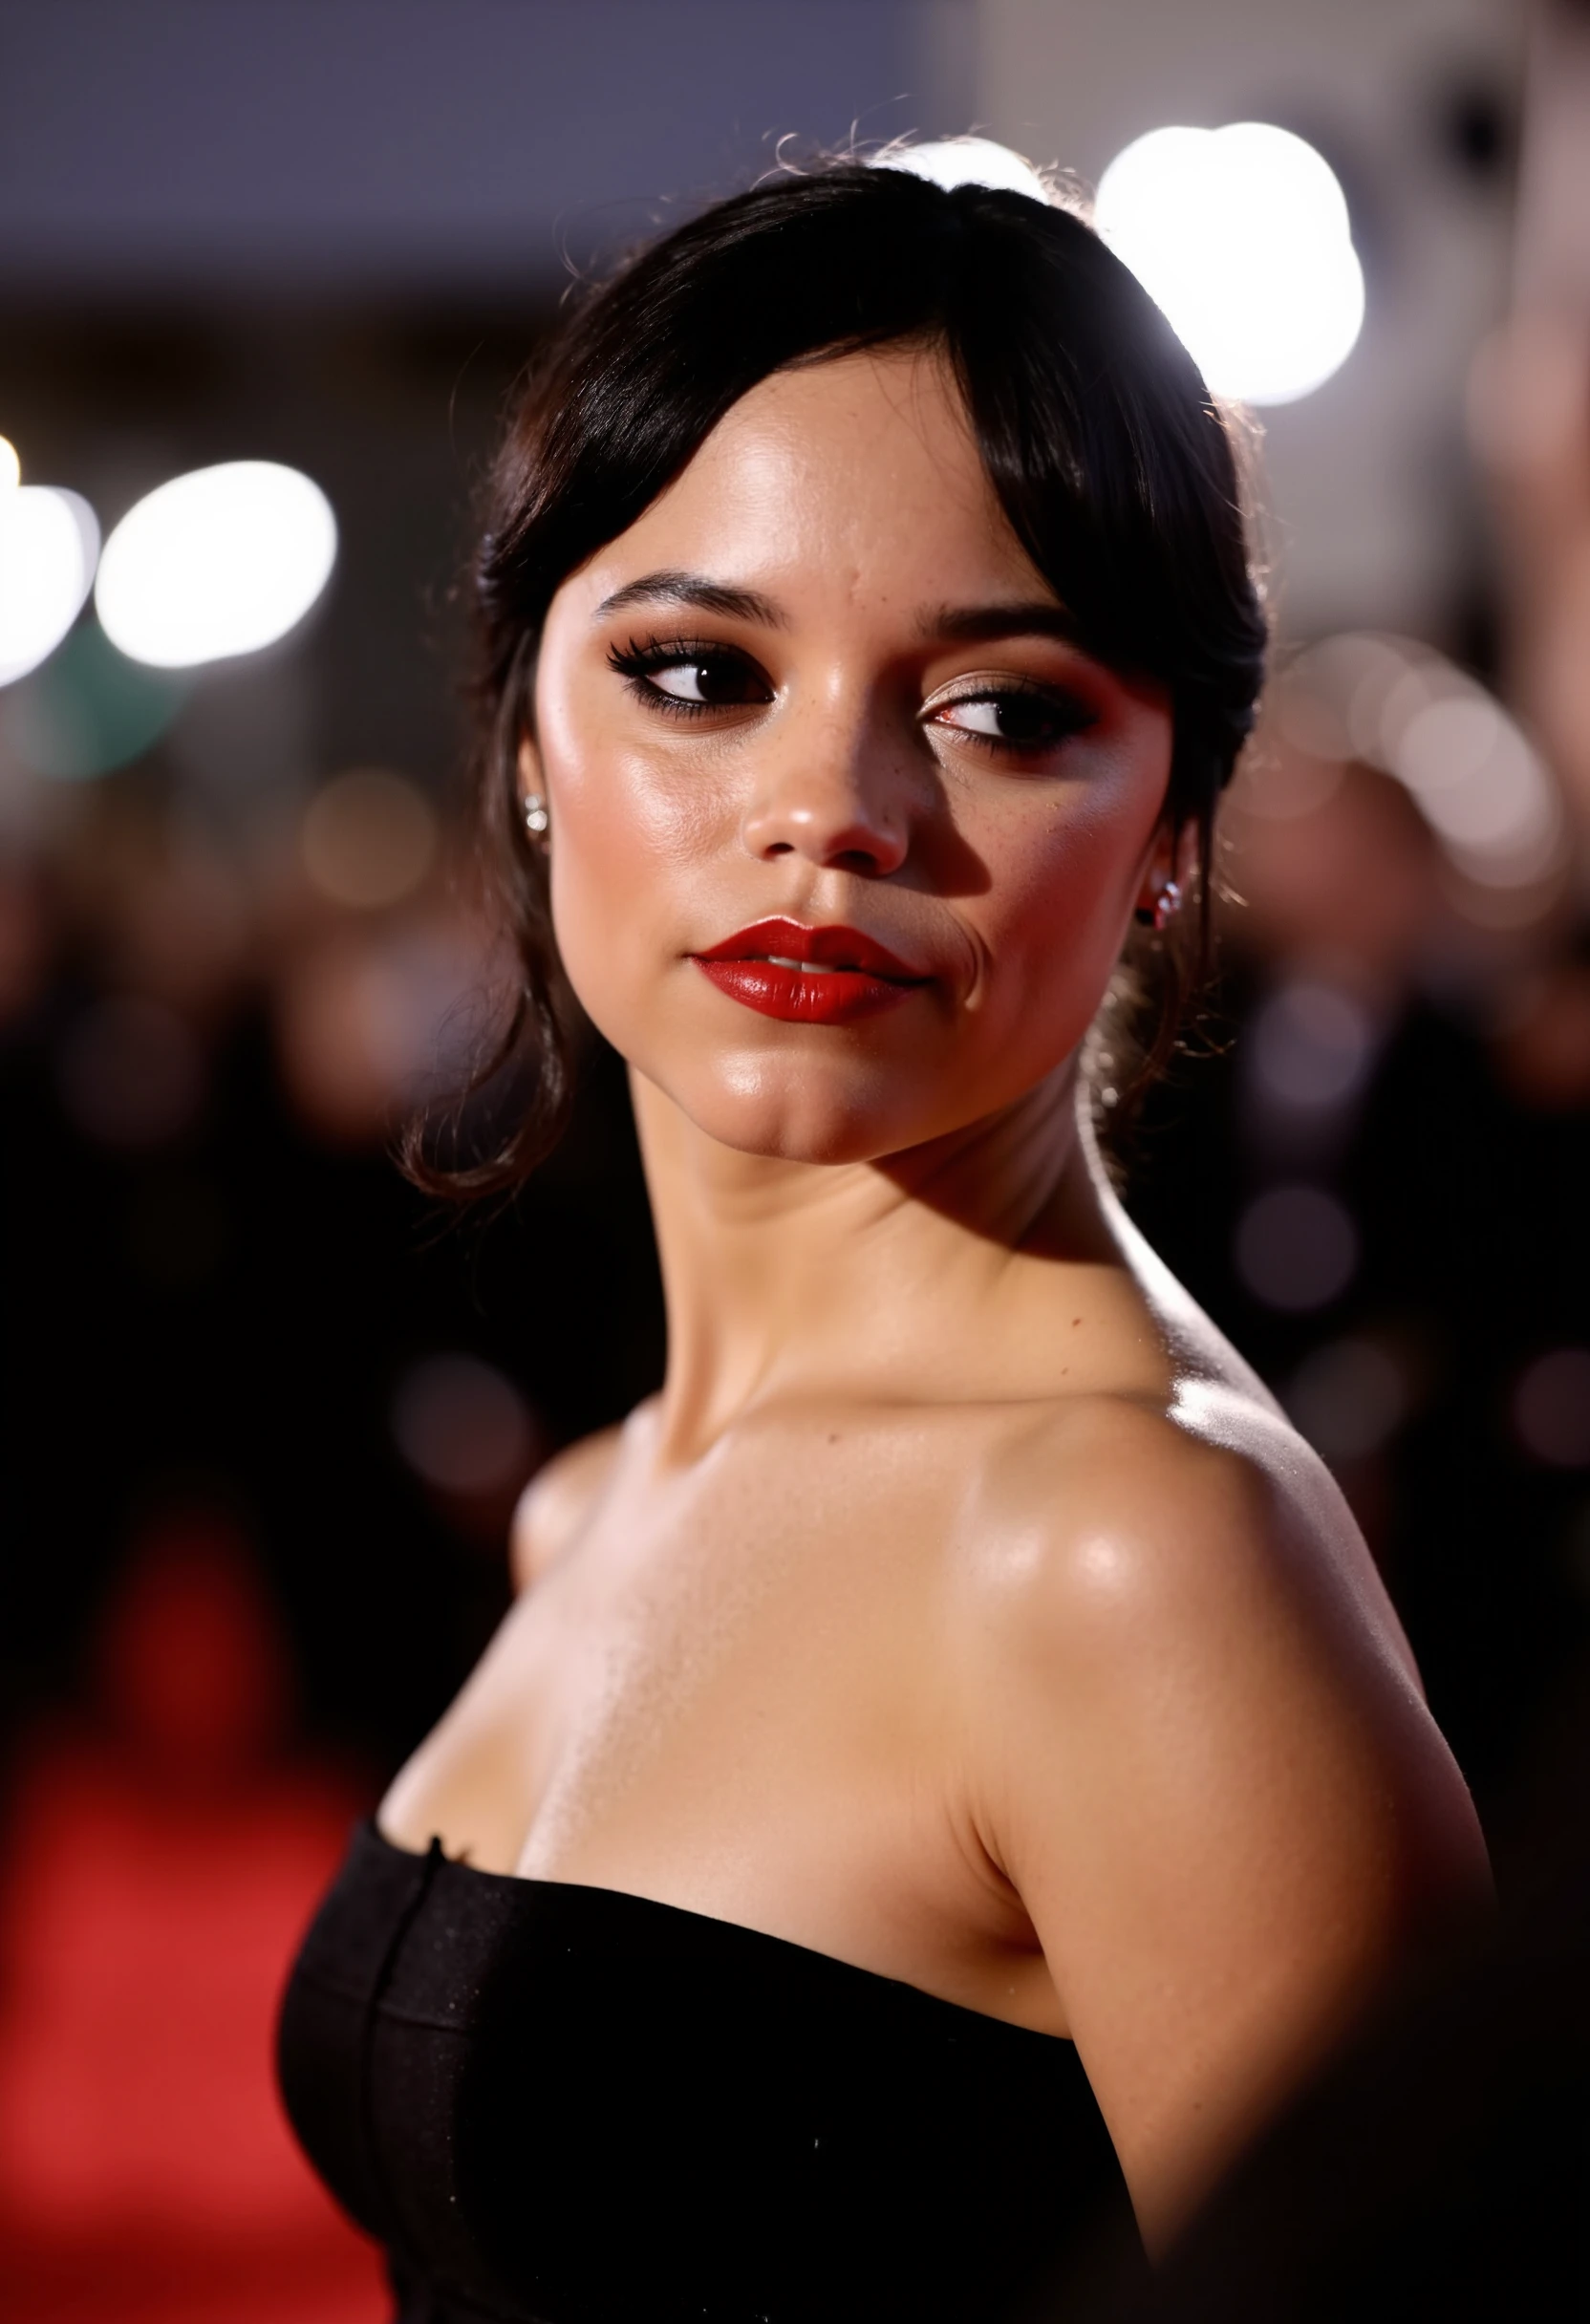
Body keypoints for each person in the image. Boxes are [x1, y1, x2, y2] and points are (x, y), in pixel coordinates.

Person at [276, 143, 1488, 2324]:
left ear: (1172, 838)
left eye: (1004, 710)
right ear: (530, 727)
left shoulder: (1135, 1556)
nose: (831, 805)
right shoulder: (592, 1503)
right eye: (698, 673)